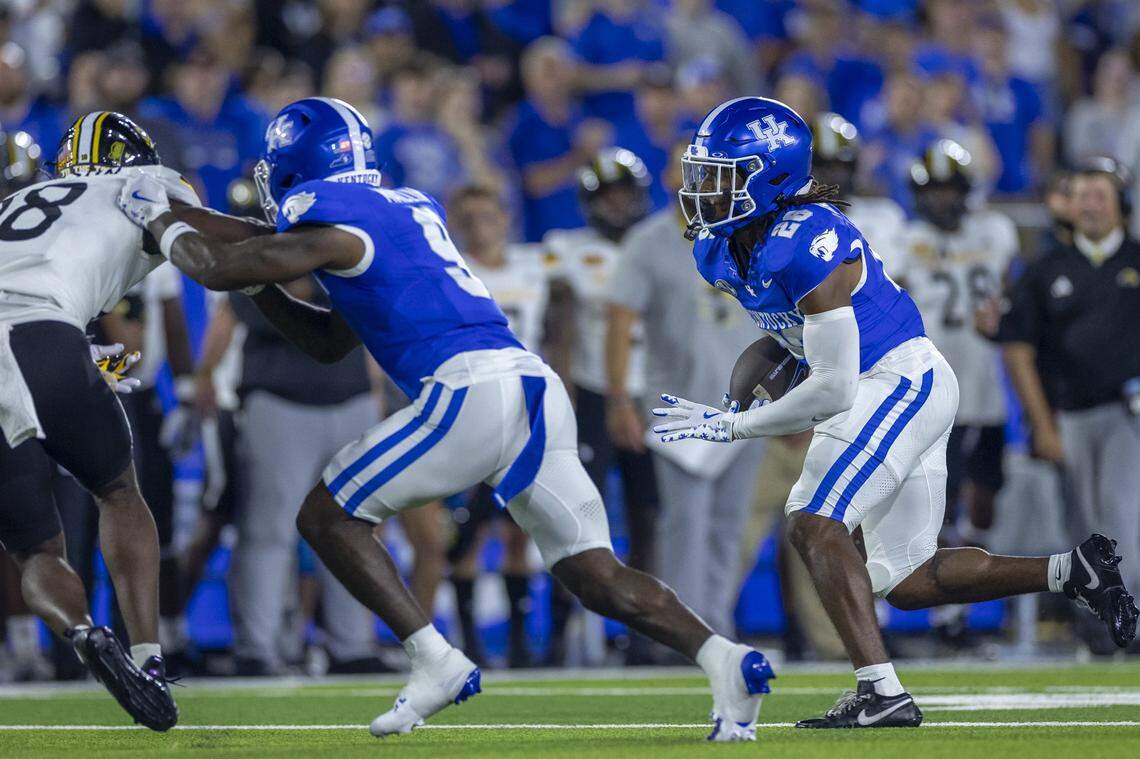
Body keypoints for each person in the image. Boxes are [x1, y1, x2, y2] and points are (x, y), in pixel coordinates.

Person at [118, 96, 775, 742]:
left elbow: (222, 265)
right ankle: (723, 659)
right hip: (531, 388)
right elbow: (320, 332)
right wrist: (196, 222)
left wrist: (160, 221)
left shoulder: (338, 223)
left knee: (326, 514)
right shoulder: (390, 213)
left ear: (298, 164)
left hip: (471, 390)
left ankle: (434, 657)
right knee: (592, 571)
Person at [652, 97, 1138, 728]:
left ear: (768, 177)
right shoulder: (718, 249)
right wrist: (735, 395)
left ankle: (882, 694)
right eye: (701, 172)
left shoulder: (806, 240)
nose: (701, 189)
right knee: (907, 580)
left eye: (721, 173)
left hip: (897, 379)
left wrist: (738, 426)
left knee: (811, 519)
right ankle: (1072, 571)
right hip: (889, 383)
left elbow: (833, 388)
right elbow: (783, 337)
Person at [0, 112, 197, 729]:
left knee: (36, 550)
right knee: (118, 491)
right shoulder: (141, 185)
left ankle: (82, 632)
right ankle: (149, 656)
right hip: (45, 335)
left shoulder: (16, 199)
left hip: (27, 334)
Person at [606, 142, 762, 648]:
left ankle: (719, 625)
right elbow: (619, 321)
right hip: (678, 405)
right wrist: (618, 398)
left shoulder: (743, 233)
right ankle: (684, 634)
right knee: (684, 525)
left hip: (746, 404)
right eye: (686, 168)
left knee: (728, 525)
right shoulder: (648, 241)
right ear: (670, 176)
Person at [999, 158, 1140, 606]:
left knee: (1121, 510)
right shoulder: (1045, 269)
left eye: (1100, 195)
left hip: (1128, 411)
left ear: (1122, 204)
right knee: (1080, 521)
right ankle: (1098, 616)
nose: (1091, 206)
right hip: (1069, 413)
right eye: (1081, 196)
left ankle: (1125, 612)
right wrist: (1040, 424)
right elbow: (1018, 348)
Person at [445, 183, 553, 667]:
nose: (479, 225)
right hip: (473, 408)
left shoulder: (535, 267)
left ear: (505, 218)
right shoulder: (453, 271)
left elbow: (559, 325)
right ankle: (468, 641)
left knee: (517, 530)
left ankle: (517, 643)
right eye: (469, 218)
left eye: (487, 215)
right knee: (471, 529)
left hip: (524, 408)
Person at [897, 140, 1017, 552]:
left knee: (986, 497)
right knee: (940, 501)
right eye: (934, 191)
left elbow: (1008, 289)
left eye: (950, 189)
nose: (943, 200)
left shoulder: (995, 230)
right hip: (935, 388)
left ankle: (968, 576)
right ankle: (950, 610)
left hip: (985, 384)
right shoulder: (905, 238)